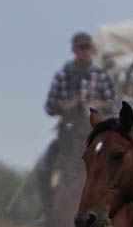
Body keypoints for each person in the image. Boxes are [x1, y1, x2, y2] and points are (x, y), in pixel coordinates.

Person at [39, 31, 118, 216]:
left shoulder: (100, 76)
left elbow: (113, 105)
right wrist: (65, 106)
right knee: (44, 167)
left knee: (116, 165)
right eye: (79, 48)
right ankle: (47, 210)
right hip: (67, 135)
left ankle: (113, 209)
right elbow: (49, 107)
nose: (83, 52)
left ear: (92, 50)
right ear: (73, 50)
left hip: (95, 135)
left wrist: (98, 104)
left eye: (86, 48)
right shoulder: (63, 76)